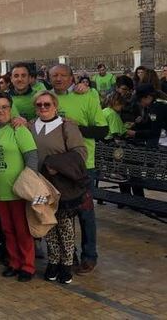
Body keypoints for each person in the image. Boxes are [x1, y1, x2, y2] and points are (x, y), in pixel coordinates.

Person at [49, 64, 108, 275]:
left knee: (85, 213)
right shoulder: (45, 98)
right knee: (61, 214)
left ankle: (89, 256)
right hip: (55, 169)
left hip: (83, 166)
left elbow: (102, 130)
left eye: (63, 75)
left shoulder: (88, 95)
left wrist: (76, 127)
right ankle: (68, 254)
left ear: (72, 78)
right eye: (54, 75)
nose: (58, 79)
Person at [0, 92, 39, 282]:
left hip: (18, 192)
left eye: (4, 107)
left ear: (10, 110)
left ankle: (28, 265)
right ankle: (14, 262)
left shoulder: (19, 129)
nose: (0, 110)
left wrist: (29, 184)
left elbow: (32, 157)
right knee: (7, 230)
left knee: (22, 230)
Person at [28, 91, 88, 285]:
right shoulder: (30, 126)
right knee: (47, 222)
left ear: (55, 106)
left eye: (47, 104)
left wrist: (57, 165)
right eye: (39, 105)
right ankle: (53, 260)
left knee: (65, 225)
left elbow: (80, 152)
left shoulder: (66, 126)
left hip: (61, 184)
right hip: (39, 185)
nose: (43, 108)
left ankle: (67, 263)